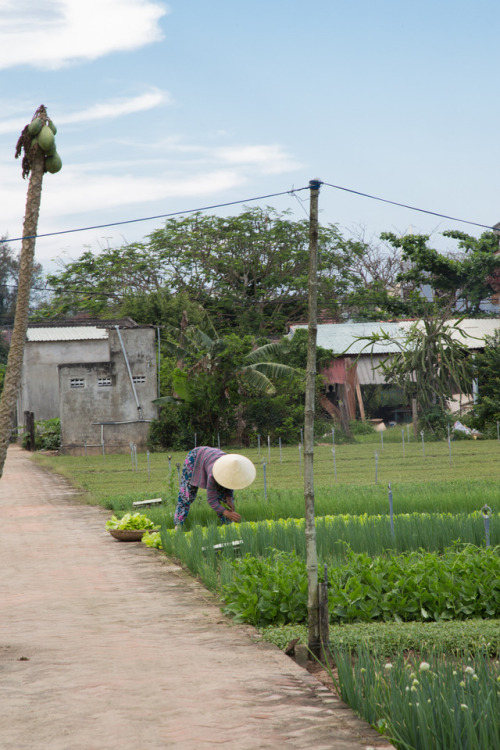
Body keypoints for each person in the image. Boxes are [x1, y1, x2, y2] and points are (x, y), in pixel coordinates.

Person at [173, 446, 256, 529]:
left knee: (224, 500)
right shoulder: (213, 473)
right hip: (194, 458)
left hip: (210, 458)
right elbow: (211, 499)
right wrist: (226, 513)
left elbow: (230, 483)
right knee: (186, 495)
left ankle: (228, 528)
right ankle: (178, 526)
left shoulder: (233, 467)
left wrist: (229, 498)